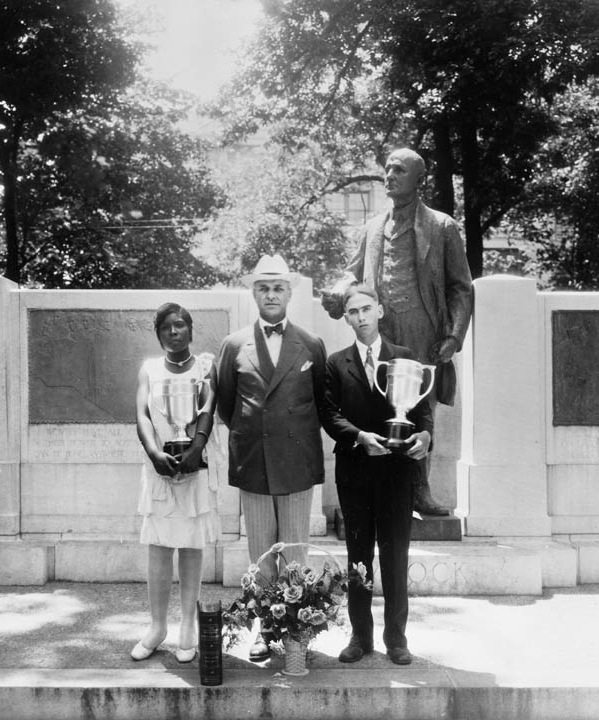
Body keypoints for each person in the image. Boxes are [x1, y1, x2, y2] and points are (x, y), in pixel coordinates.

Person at [321, 147, 473, 516]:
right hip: (379, 329)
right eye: (387, 169)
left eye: (399, 170)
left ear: (419, 180)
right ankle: (374, 489)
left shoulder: (441, 226)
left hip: (423, 329)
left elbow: (460, 287)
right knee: (372, 405)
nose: (389, 175)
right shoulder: (372, 227)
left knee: (420, 412)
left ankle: (419, 491)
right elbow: (352, 271)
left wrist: (453, 337)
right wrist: (340, 290)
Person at [215, 253, 327, 661]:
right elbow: (227, 406)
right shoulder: (233, 345)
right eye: (263, 287)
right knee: (261, 557)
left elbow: (320, 402)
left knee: (295, 556)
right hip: (255, 464)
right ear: (253, 293)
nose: (271, 294)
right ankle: (264, 630)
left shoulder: (311, 344)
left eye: (278, 287)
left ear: (289, 292)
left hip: (297, 464)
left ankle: (296, 633)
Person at [320, 283, 432, 666]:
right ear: (346, 318)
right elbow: (330, 415)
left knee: (396, 555)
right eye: (353, 312)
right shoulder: (336, 363)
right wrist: (358, 437)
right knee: (358, 558)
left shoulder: (404, 358)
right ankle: (360, 637)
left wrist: (425, 436)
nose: (361, 317)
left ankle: (397, 638)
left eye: (367, 309)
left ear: (380, 311)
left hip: (397, 474)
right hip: (354, 473)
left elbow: (422, 411)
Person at [130, 302, 221, 664]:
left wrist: (195, 449)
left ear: (191, 331)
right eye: (166, 327)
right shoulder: (148, 369)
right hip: (159, 469)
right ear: (158, 334)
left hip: (193, 465)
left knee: (191, 544)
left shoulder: (204, 367)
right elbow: (142, 415)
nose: (173, 332)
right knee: (158, 546)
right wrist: (155, 455)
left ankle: (187, 625)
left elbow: (207, 409)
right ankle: (157, 626)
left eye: (180, 325)